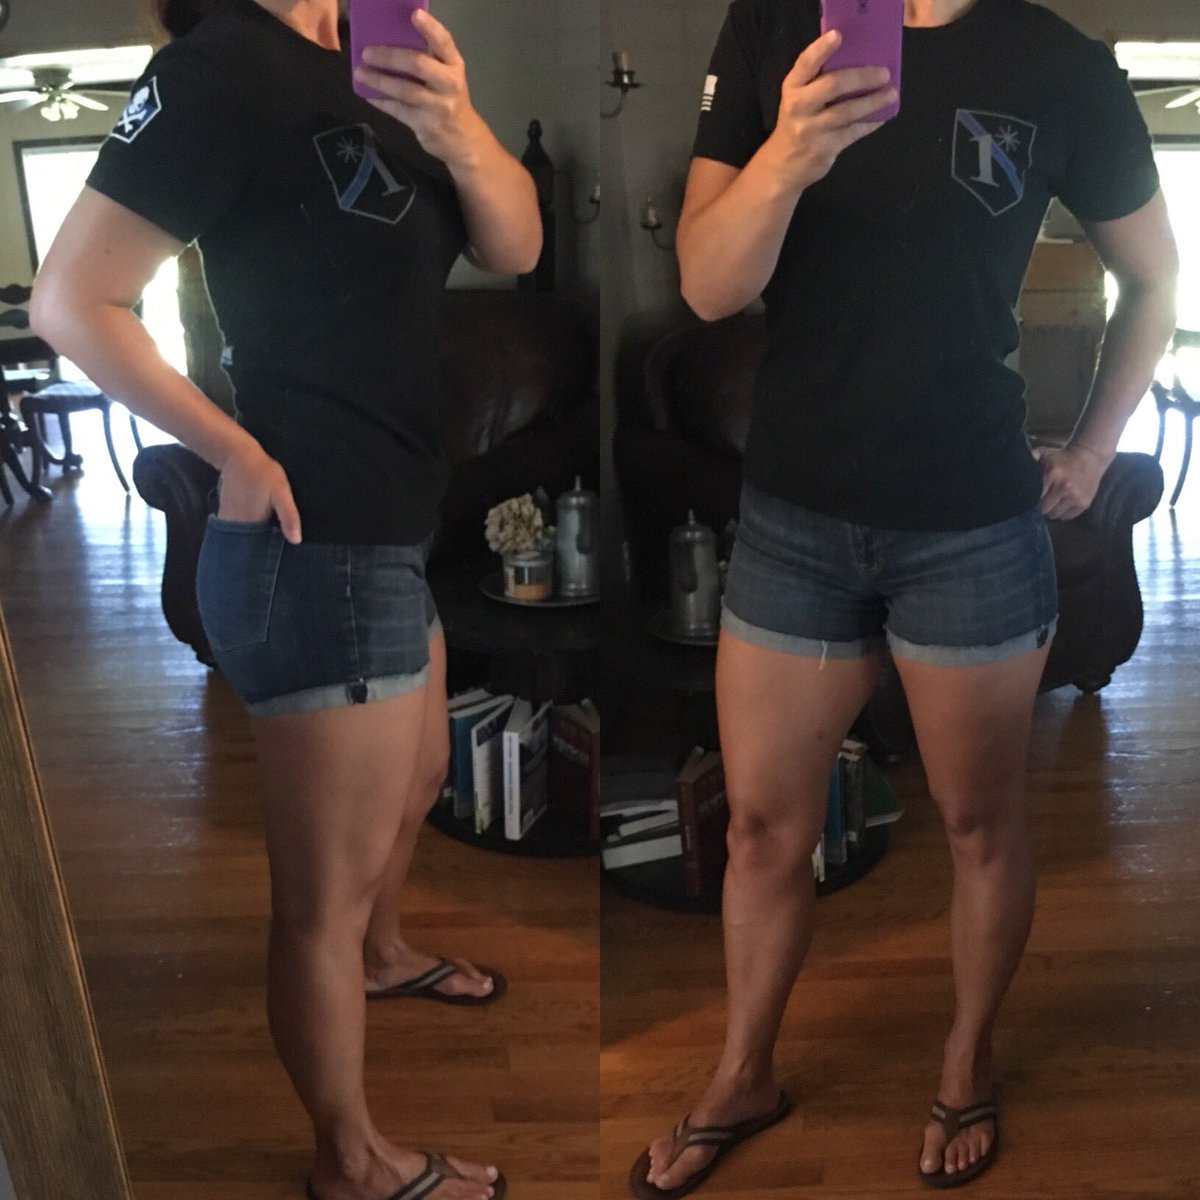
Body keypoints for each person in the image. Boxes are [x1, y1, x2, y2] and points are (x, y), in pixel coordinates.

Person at [630, 0, 1178, 1194]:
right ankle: (742, 1074)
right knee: (763, 829)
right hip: (796, 518)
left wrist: (1094, 449)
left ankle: (967, 1062)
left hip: (972, 521)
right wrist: (791, 152)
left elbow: (1153, 278)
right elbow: (710, 287)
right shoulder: (774, 26)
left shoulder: (1060, 66)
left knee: (980, 825)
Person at [30, 2, 541, 1198]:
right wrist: (233, 453)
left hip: (390, 531)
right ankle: (348, 1161)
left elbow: (515, 246)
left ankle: (384, 953)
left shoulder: (379, 59)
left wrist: (459, 126)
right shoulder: (222, 70)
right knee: (321, 895)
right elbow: (69, 301)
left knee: (417, 781)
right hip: (310, 546)